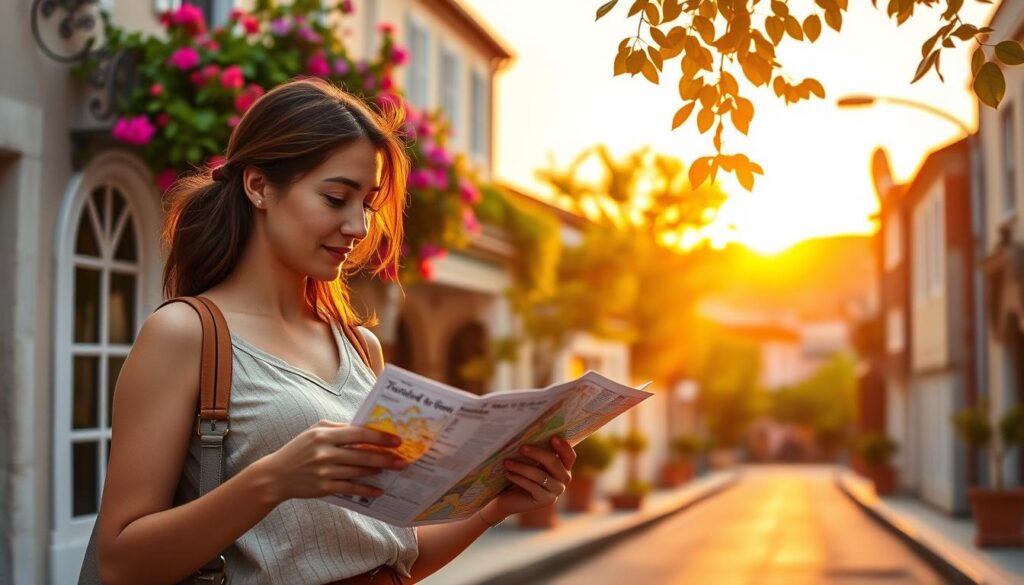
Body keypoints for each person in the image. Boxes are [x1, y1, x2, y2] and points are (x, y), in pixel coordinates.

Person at [96, 78, 576, 585]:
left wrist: (493, 507)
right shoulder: (185, 334)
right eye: (335, 197)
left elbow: (394, 554)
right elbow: (121, 562)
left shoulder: (358, 347)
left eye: (366, 203)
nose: (360, 227)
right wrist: (273, 480)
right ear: (259, 186)